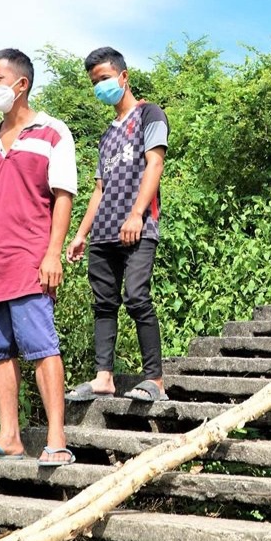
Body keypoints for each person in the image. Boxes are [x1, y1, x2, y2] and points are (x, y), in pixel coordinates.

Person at [0, 48, 78, 466]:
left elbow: (63, 196)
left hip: (31, 259)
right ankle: (9, 436)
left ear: (20, 84)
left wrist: (53, 253)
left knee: (42, 346)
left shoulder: (52, 133)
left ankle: (57, 439)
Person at [64, 47, 169, 403]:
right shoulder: (106, 135)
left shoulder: (149, 115)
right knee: (104, 305)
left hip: (139, 227)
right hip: (103, 232)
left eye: (105, 78)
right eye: (95, 81)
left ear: (124, 77)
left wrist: (137, 213)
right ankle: (103, 378)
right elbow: (99, 189)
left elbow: (154, 165)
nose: (101, 85)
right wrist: (80, 234)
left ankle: (154, 379)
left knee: (137, 297)